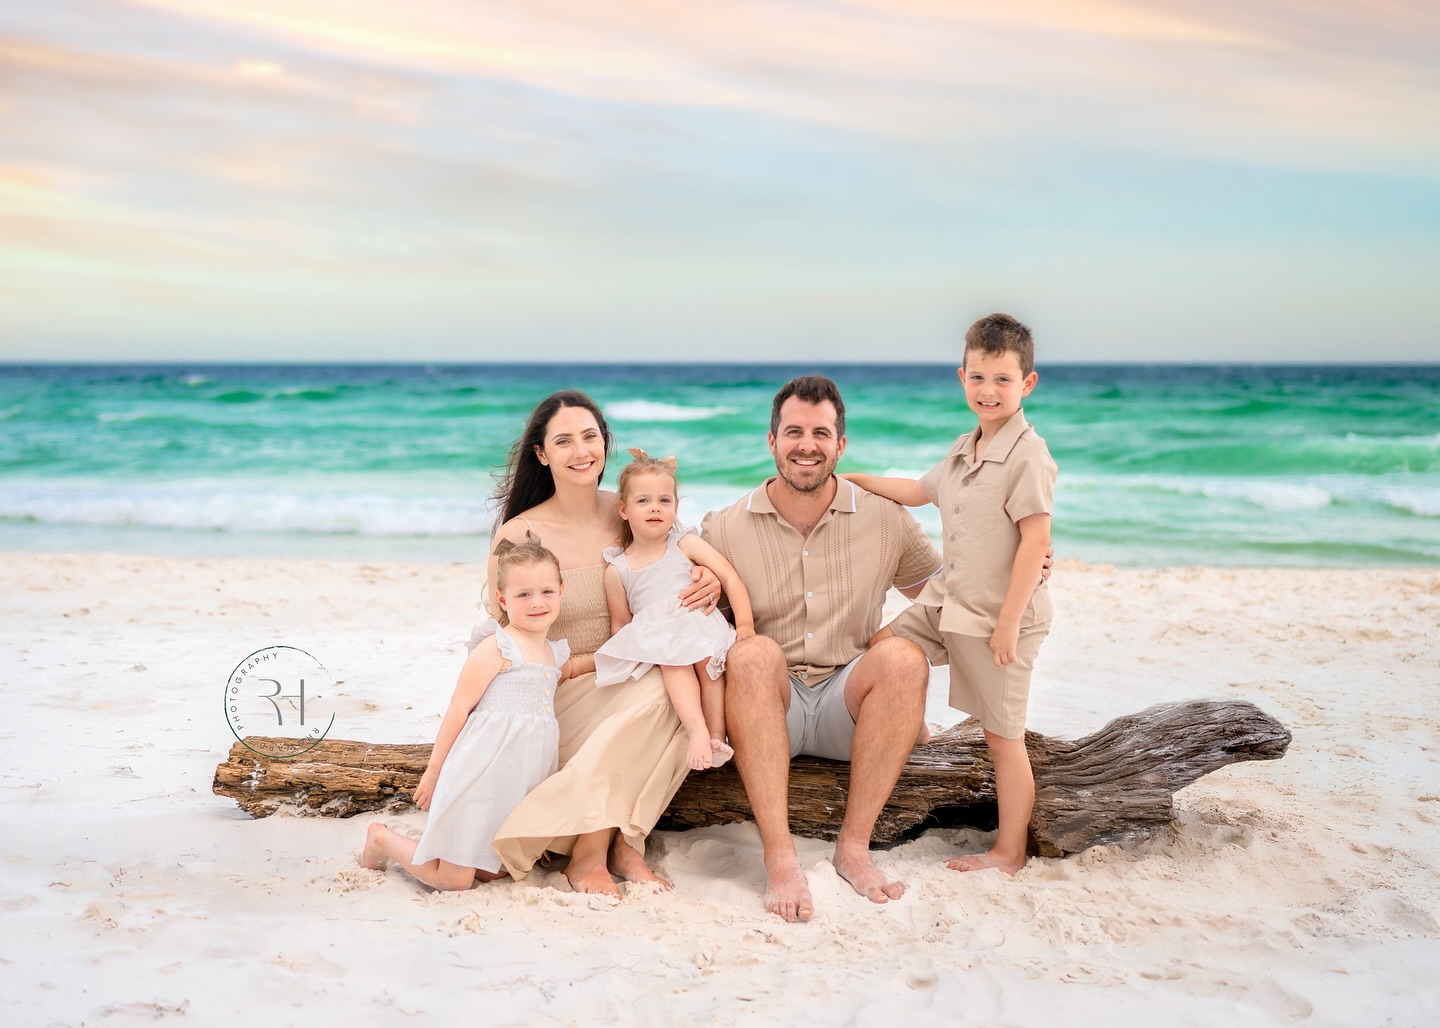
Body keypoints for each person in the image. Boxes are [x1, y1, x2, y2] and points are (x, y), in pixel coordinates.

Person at [701, 375, 946, 923]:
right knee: (751, 653)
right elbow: (690, 624)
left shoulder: (885, 519)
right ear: (771, 441)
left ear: (840, 444)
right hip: (769, 708)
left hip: (849, 705)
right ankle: (781, 857)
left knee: (905, 658)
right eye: (793, 431)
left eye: (820, 432)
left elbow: (944, 593)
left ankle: (853, 849)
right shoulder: (724, 527)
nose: (806, 444)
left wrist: (1018, 563)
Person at [481, 390, 721, 898]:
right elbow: (512, 640)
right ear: (542, 455)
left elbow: (677, 562)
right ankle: (594, 852)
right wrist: (592, 663)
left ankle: (622, 845)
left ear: (605, 444)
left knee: (669, 683)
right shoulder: (521, 533)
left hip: (624, 670)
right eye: (563, 441)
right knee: (661, 688)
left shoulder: (633, 507)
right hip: (559, 684)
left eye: (590, 436)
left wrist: (708, 577)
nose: (581, 450)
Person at [847, 313, 1055, 877]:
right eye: (979, 378)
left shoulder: (1028, 456)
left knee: (1002, 737)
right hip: (947, 602)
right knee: (883, 644)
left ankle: (1008, 853)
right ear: (962, 377)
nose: (989, 391)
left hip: (995, 617)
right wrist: (852, 479)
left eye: (1003, 380)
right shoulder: (965, 448)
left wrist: (1009, 622)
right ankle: (911, 733)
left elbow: (1037, 539)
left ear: (1026, 384)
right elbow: (917, 490)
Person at [359, 538, 569, 891]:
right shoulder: (498, 647)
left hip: (517, 778)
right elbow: (459, 709)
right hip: (480, 773)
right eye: (523, 595)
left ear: (562, 591)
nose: (537, 602)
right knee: (454, 881)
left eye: (546, 591)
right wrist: (434, 771)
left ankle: (451, 855)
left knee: (495, 870)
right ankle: (382, 839)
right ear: (502, 599)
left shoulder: (553, 652)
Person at [595, 448, 757, 771]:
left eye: (664, 500)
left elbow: (728, 577)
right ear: (624, 510)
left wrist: (746, 625)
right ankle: (697, 731)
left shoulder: (684, 543)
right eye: (643, 501)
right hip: (662, 638)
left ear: (676, 507)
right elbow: (621, 625)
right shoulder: (618, 569)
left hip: (698, 621)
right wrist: (638, 656)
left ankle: (716, 735)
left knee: (708, 663)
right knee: (674, 661)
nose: (655, 508)